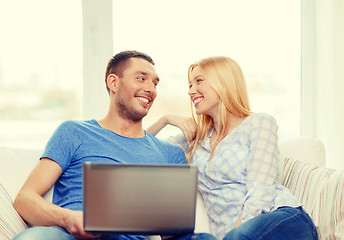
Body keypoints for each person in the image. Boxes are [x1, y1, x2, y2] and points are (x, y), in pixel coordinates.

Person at [13, 51, 216, 240]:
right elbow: (25, 199)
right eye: (141, 78)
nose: (150, 89)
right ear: (113, 82)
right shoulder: (74, 132)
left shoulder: (170, 154)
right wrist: (68, 218)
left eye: (155, 83)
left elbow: (172, 234)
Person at [147, 56, 318, 240]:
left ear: (223, 82)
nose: (191, 91)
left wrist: (235, 236)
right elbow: (139, 149)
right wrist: (165, 120)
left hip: (281, 220)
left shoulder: (259, 123)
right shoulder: (195, 140)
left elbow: (260, 192)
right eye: (189, 85)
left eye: (198, 81)